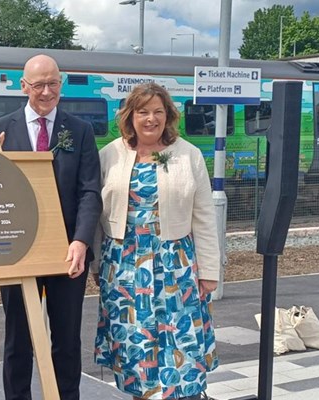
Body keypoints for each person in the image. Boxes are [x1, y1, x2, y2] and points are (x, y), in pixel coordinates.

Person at [0, 54, 102, 400]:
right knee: (17, 340)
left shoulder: (80, 131)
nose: (47, 91)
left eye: (53, 83)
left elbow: (90, 191)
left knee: (66, 340)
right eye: (39, 84)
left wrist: (81, 241)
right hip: (16, 253)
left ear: (60, 85)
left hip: (68, 253)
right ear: (24, 87)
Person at [94, 82, 219, 400]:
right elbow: (92, 211)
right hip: (123, 266)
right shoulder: (109, 154)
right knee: (135, 348)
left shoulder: (188, 154)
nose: (151, 119)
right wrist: (96, 263)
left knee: (180, 347)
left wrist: (209, 271)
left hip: (175, 265)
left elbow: (204, 217)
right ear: (130, 116)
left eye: (158, 111)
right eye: (143, 111)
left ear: (168, 115)